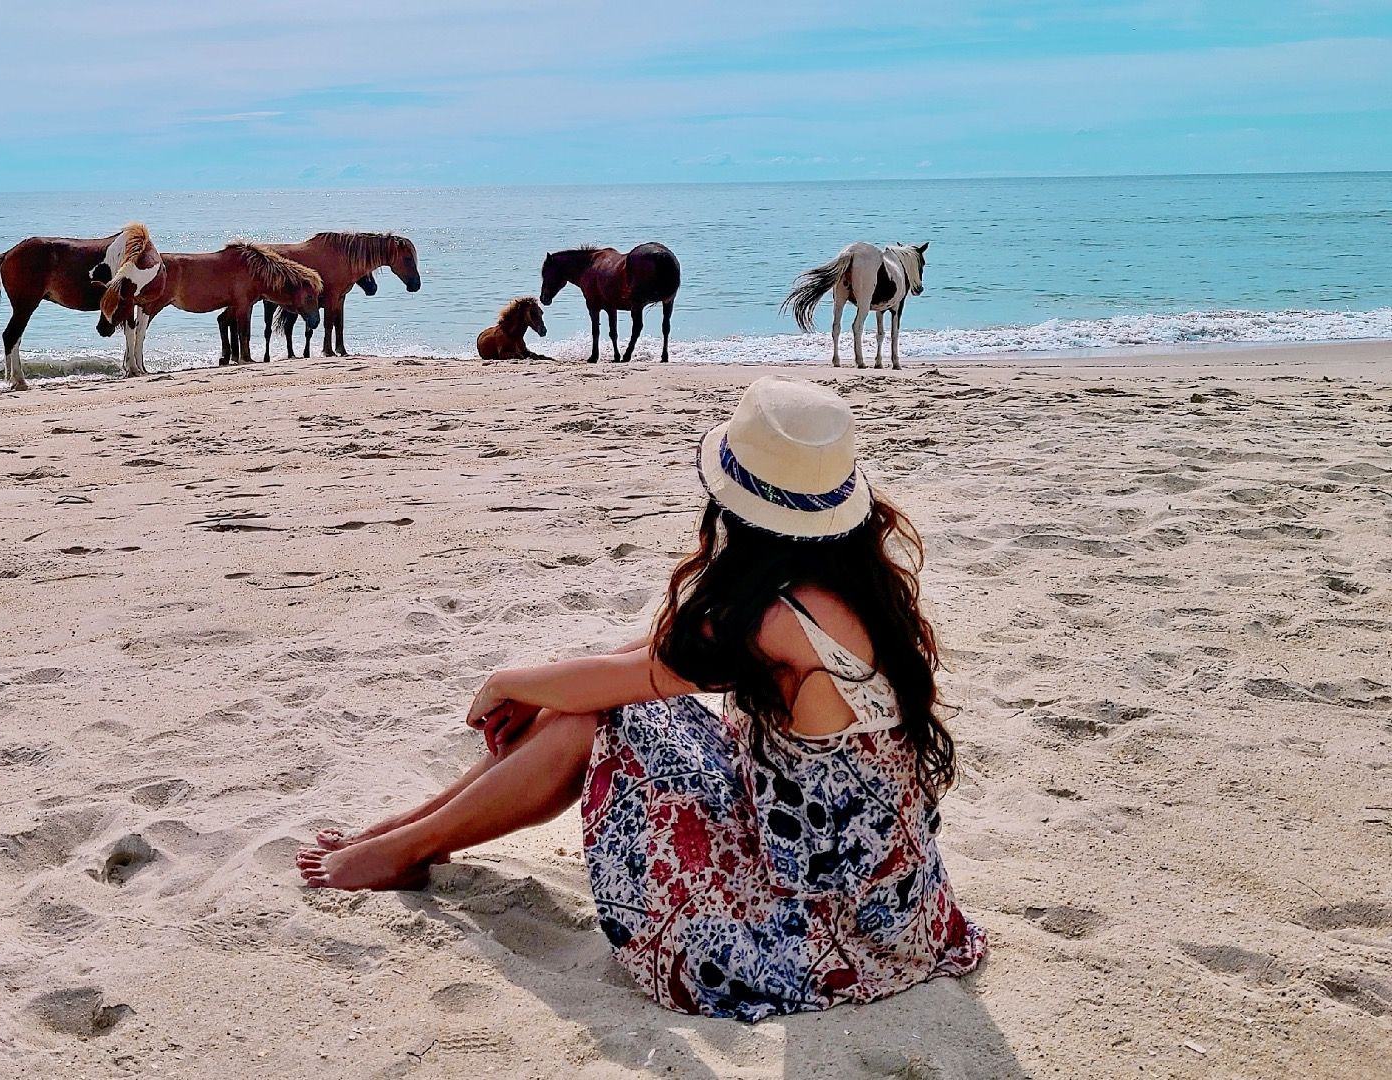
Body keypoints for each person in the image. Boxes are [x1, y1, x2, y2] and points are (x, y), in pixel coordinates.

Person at [297, 376, 986, 1020]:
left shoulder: (777, 621)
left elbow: (628, 679)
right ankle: (410, 832)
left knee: (596, 718)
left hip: (816, 927)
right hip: (898, 904)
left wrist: (508, 683)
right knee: (597, 699)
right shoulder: (853, 582)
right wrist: (540, 684)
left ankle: (411, 845)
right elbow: (649, 654)